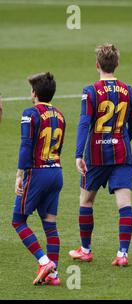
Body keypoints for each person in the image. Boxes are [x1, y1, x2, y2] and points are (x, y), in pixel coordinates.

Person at [69, 44, 132, 266]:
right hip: (121, 154)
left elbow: (84, 122)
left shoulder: (90, 91)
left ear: (97, 64)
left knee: (87, 200)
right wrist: (122, 139)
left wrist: (78, 154)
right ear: (117, 64)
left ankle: (86, 250)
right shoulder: (128, 90)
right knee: (124, 203)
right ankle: (122, 254)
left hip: (96, 155)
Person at [12, 72, 65, 285]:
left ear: (34, 93)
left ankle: (44, 262)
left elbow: (26, 145)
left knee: (18, 220)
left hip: (38, 173)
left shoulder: (30, 113)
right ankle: (53, 275)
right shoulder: (60, 115)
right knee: (50, 225)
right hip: (56, 172)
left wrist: (19, 174)